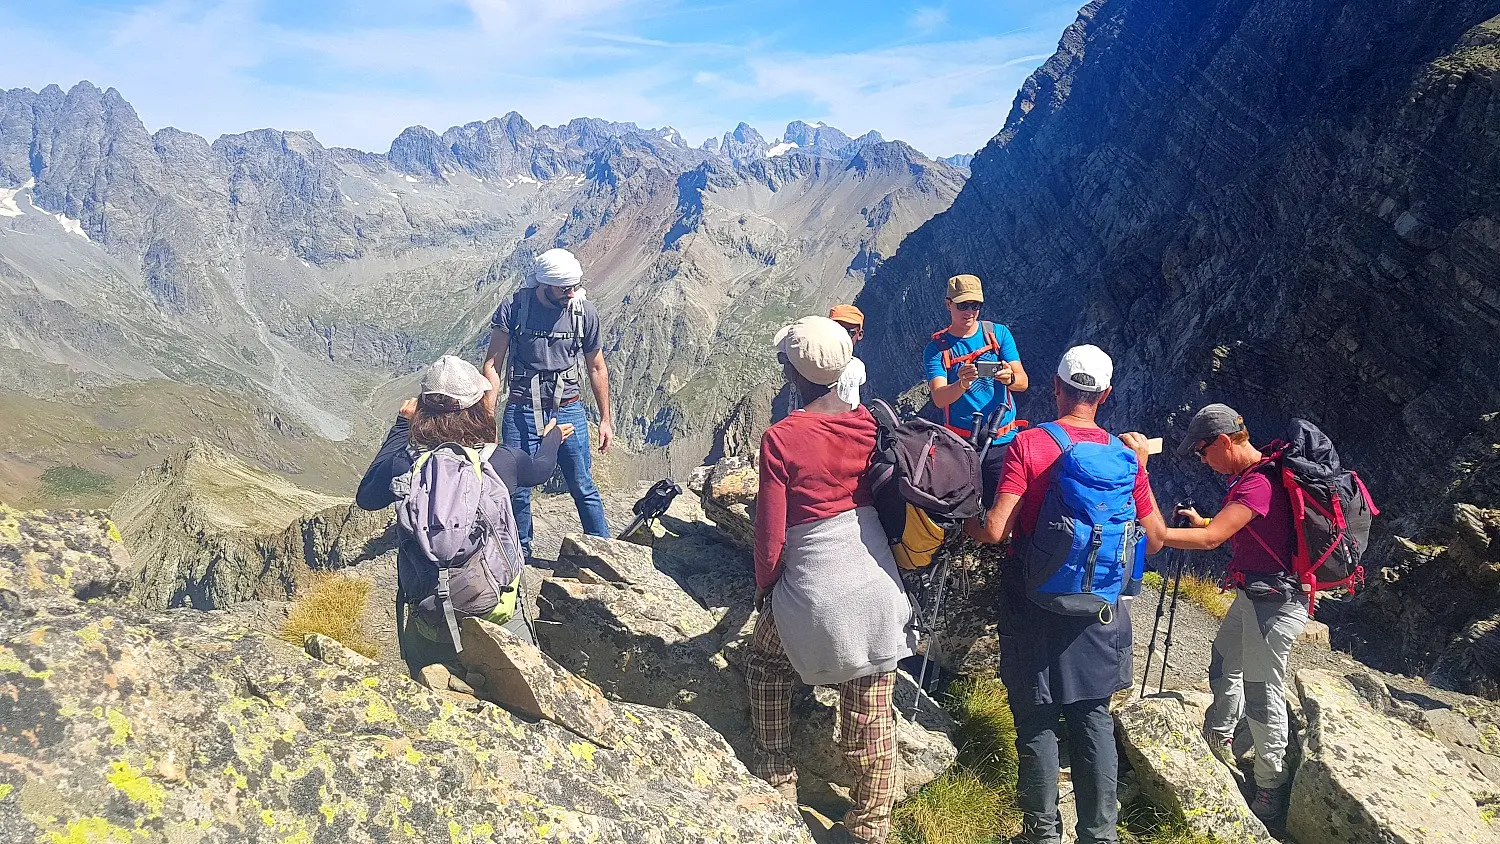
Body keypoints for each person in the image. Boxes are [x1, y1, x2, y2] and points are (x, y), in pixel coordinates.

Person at [965, 345, 1165, 844]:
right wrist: (1140, 465)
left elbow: (995, 530)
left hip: (1033, 600)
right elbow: (1155, 537)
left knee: (1036, 718)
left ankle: (1042, 834)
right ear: (1105, 395)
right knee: (1092, 715)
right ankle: (1100, 835)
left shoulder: (1030, 445)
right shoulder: (1124, 456)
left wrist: (960, 520)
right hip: (1099, 605)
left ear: (1056, 388)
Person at [745, 316, 917, 844]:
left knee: (768, 664)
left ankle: (777, 781)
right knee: (870, 710)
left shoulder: (782, 438)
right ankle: (870, 824)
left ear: (795, 375)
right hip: (879, 588)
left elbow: (771, 535)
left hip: (820, 589)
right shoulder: (871, 423)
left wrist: (767, 588)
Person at [356, 354, 574, 676]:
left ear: (423, 409)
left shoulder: (404, 465)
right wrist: (553, 438)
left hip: (429, 615)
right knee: (524, 681)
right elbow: (541, 470)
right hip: (496, 612)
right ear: (475, 408)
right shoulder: (501, 460)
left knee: (426, 691)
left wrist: (401, 427)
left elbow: (366, 498)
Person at [1148, 403, 1306, 826]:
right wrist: (1201, 520)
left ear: (1222, 441)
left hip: (1275, 602)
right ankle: (1220, 735)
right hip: (1257, 594)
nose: (1202, 460)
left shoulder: (1256, 484)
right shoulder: (1255, 478)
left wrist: (1159, 536)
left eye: (1202, 451)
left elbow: (1214, 539)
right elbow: (1235, 526)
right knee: (1224, 660)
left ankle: (1270, 783)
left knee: (1262, 689)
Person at [482, 248, 611, 559]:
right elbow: (492, 365)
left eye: (574, 286)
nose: (572, 293)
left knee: (582, 483)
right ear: (544, 284)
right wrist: (487, 418)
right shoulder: (515, 308)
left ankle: (603, 549)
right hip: (522, 407)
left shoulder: (584, 312)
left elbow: (597, 366)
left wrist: (605, 419)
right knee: (517, 489)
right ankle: (518, 553)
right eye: (565, 288)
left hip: (568, 406)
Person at [923, 273, 1029, 508]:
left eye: (975, 305)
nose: (969, 311)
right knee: (961, 508)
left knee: (1002, 509)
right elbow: (940, 398)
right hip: (960, 444)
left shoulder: (998, 334)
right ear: (948, 304)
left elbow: (1022, 382)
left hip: (1003, 440)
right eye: (963, 305)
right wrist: (960, 384)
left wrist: (1009, 377)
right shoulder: (936, 349)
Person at [829, 303, 867, 408]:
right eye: (837, 330)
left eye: (849, 332)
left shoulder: (858, 367)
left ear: (859, 334)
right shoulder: (814, 361)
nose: (842, 337)